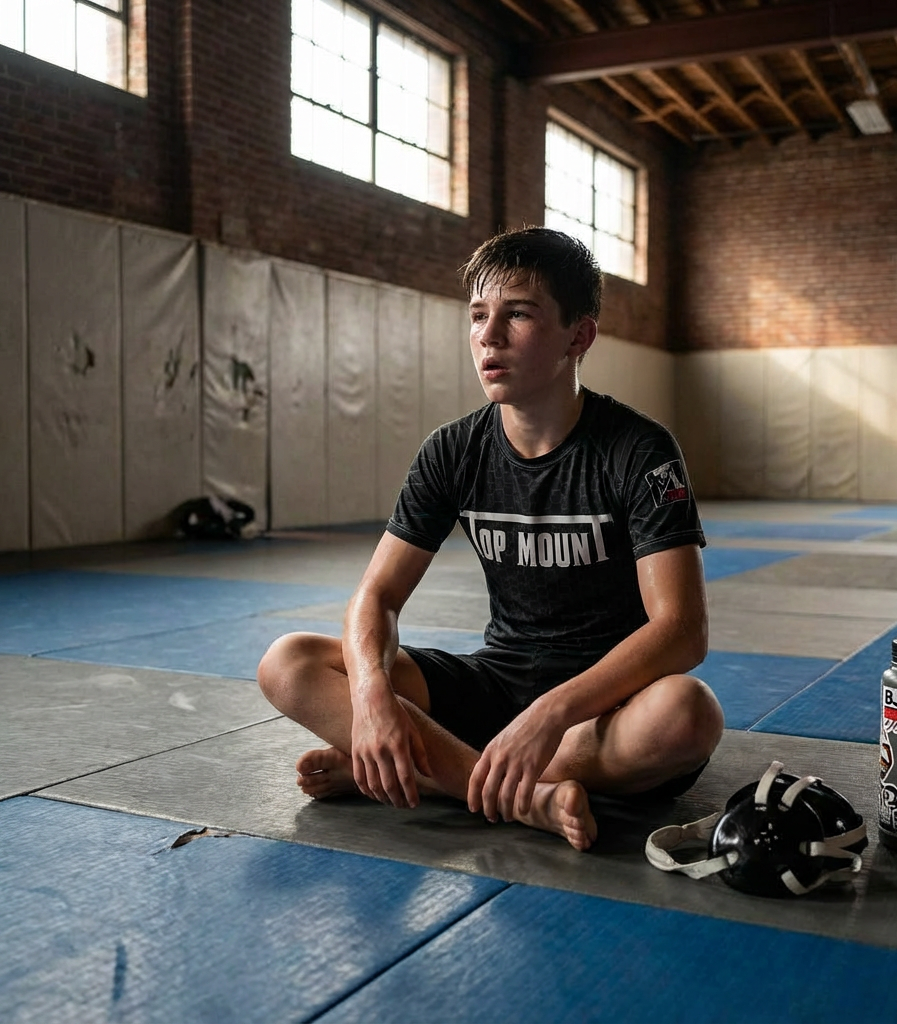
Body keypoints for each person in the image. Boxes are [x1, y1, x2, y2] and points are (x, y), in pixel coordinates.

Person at [257, 227, 723, 851]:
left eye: (519, 314)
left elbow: (681, 630)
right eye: (478, 316)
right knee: (289, 661)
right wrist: (371, 698)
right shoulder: (453, 450)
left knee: (688, 716)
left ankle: (421, 771)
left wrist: (550, 713)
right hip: (496, 684)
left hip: (602, 709)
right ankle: (513, 793)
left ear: (578, 336)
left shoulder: (638, 450)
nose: (489, 336)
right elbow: (376, 598)